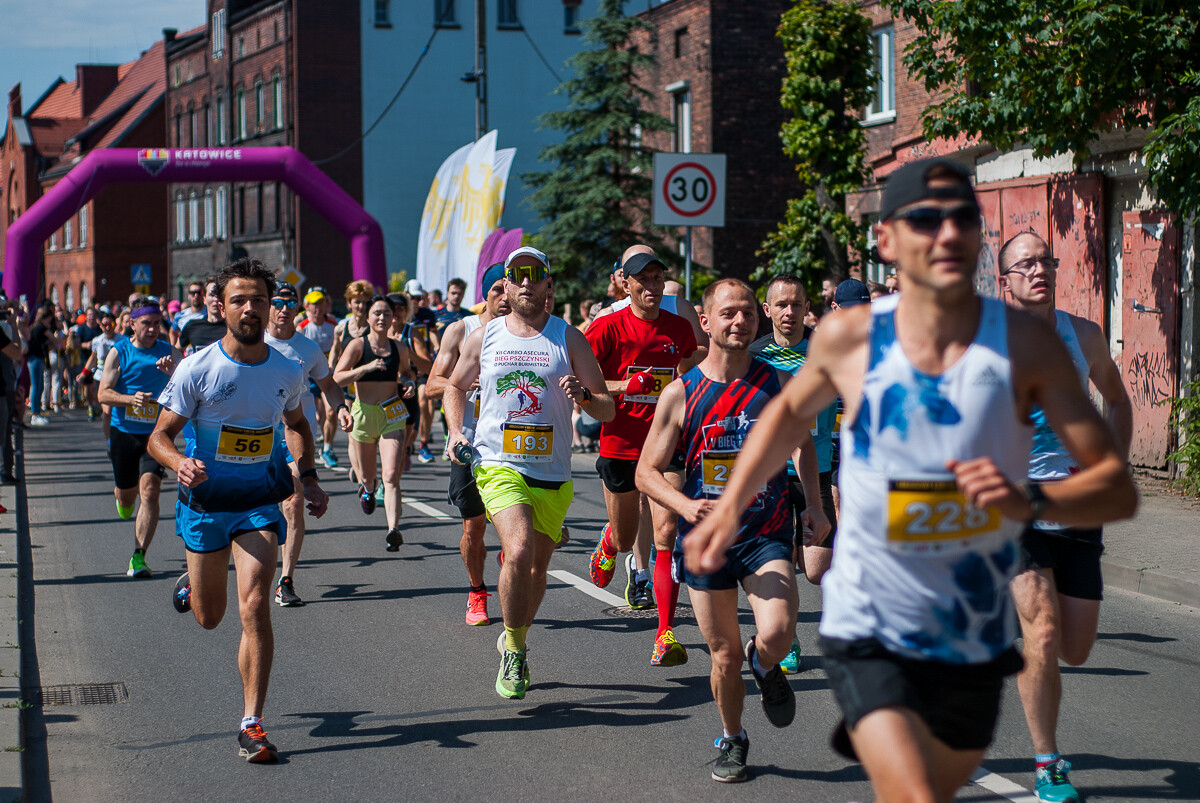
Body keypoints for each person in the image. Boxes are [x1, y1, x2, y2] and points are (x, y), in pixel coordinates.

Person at [681, 157, 1137, 802]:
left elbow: (1114, 451)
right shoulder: (872, 334)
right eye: (924, 224)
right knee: (989, 677)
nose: (943, 238)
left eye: (959, 224)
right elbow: (788, 420)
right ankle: (1034, 758)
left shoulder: (1045, 342)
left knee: (1064, 655)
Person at [149, 257, 329, 764]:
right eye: (239, 300)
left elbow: (296, 424)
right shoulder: (198, 367)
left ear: (271, 306)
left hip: (257, 502)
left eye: (258, 300)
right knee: (210, 618)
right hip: (206, 504)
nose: (250, 308)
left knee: (253, 604)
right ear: (221, 307)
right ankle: (192, 578)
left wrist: (308, 477)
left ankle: (252, 722)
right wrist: (179, 461)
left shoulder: (286, 368)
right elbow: (158, 437)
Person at [637, 278, 805, 783]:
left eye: (748, 314)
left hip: (764, 529)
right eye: (729, 313)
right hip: (706, 539)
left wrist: (815, 505)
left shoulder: (775, 382)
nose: (740, 322)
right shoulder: (681, 392)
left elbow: (801, 441)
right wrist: (684, 505)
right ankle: (733, 737)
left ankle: (767, 662)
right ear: (705, 323)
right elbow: (646, 471)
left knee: (776, 632)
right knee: (723, 655)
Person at [999, 232, 1133, 802]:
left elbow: (1118, 400)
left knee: (1075, 648)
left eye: (1045, 261)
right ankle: (1048, 760)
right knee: (1045, 632)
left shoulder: (1084, 335)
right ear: (1003, 280)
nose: (1038, 270)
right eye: (1024, 264)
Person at [445, 246, 614, 699]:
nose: (524, 282)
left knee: (536, 569)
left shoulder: (569, 337)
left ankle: (515, 636)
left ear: (548, 285)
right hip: (498, 463)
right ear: (506, 282)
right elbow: (454, 387)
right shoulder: (485, 336)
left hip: (553, 472)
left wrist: (583, 397)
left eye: (533, 274)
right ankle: (515, 651)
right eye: (515, 274)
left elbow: (608, 408)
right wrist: (456, 432)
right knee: (516, 551)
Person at [584, 248, 700, 665]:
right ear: (625, 283)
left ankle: (664, 633)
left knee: (665, 529)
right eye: (643, 280)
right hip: (620, 444)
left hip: (664, 444)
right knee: (625, 534)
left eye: (657, 279)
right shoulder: (606, 328)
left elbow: (689, 367)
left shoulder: (678, 328)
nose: (651, 287)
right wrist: (625, 384)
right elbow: (585, 382)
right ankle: (609, 545)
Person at [749, 275, 835, 673]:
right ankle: (789, 639)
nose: (789, 312)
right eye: (781, 305)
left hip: (815, 468)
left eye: (796, 304)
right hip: (772, 474)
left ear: (807, 307)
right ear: (767, 310)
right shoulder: (754, 356)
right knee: (781, 560)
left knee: (816, 569)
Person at [426, 263, 510, 626]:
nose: (505, 300)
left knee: (521, 525)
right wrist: (462, 385)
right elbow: (432, 384)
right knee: (473, 528)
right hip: (469, 443)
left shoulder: (528, 331)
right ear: (484, 295)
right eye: (497, 293)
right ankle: (477, 591)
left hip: (511, 444)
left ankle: (512, 551)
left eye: (509, 291)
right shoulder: (462, 330)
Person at [264, 282, 353, 606]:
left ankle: (286, 579)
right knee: (252, 505)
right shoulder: (254, 341)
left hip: (296, 430)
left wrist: (340, 406)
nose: (284, 308)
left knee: (293, 502)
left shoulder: (307, 348)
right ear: (268, 305)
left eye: (291, 302)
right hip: (257, 431)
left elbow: (328, 384)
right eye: (278, 301)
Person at [97, 305, 177, 576]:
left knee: (151, 491)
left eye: (157, 322)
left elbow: (190, 386)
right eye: (146, 323)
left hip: (156, 434)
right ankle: (123, 499)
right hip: (124, 433)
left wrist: (173, 373)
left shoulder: (169, 351)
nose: (153, 328)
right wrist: (131, 399)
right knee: (127, 494)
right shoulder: (119, 352)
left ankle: (139, 556)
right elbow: (103, 394)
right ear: (132, 324)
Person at [333, 295, 417, 550]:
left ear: (394, 317)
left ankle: (393, 529)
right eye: (377, 313)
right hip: (364, 415)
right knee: (368, 477)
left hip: (392, 415)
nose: (382, 318)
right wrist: (365, 369)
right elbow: (337, 377)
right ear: (368, 317)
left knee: (392, 476)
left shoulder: (399, 348)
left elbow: (406, 373)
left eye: (387, 314)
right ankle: (368, 490)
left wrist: (410, 384)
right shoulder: (358, 346)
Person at [297, 288, 340, 469]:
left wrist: (331, 363)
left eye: (320, 304)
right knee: (311, 414)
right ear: (307, 307)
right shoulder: (302, 327)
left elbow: (338, 348)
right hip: (308, 376)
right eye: (313, 304)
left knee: (330, 412)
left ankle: (327, 448)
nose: (317, 308)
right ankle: (307, 446)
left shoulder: (334, 324)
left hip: (326, 373)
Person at [27, 305, 58, 426]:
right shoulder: (41, 328)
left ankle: (37, 412)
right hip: (36, 359)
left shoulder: (35, 327)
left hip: (35, 358)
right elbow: (55, 340)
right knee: (37, 386)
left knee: (38, 386)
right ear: (47, 318)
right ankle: (35, 414)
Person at [179, 279, 226, 355]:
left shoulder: (232, 328)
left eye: (219, 295)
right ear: (204, 299)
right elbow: (177, 350)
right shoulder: (192, 326)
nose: (216, 299)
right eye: (212, 295)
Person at [171, 281, 208, 348]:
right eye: (193, 293)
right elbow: (172, 332)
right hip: (187, 356)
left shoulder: (210, 314)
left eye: (199, 293)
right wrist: (173, 347)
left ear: (203, 295)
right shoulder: (180, 316)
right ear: (189, 296)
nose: (196, 296)